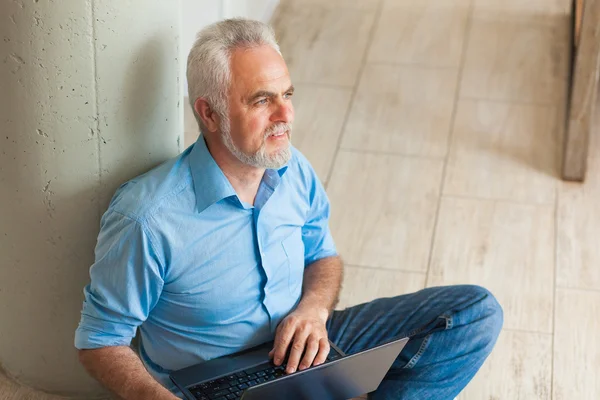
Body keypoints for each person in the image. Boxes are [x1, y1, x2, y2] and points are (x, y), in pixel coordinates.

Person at [74, 18, 503, 400]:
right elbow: (100, 341)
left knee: (475, 314)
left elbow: (323, 258)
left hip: (304, 346)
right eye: (262, 100)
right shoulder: (147, 219)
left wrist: (313, 309)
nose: (286, 114)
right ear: (209, 113)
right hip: (210, 382)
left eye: (287, 94)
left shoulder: (293, 168)